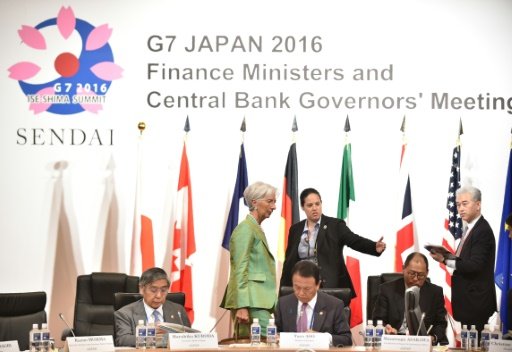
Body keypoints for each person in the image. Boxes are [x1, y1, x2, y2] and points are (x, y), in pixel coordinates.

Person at [280, 187, 386, 302]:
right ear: (302, 207)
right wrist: (283, 291)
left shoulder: (335, 225)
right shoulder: (295, 229)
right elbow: (289, 261)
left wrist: (373, 247)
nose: (315, 208)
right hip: (303, 286)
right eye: (310, 205)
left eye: (317, 204)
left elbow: (354, 240)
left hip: (330, 285)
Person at [430, 185, 497, 333]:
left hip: (476, 304)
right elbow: (465, 260)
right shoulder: (471, 229)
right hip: (468, 302)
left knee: (475, 346)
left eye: (465, 204)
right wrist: (445, 257)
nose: (460, 209)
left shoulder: (482, 230)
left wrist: (445, 260)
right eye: (458, 204)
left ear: (478, 204)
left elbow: (474, 266)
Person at [220, 181, 278, 337]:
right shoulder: (245, 228)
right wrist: (241, 306)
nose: (274, 207)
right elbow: (239, 268)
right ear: (254, 202)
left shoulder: (255, 228)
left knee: (268, 343)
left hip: (259, 301)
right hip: (250, 303)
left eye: (274, 201)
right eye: (269, 201)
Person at [372, 252, 448, 345]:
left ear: (427, 273)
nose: (416, 279)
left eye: (421, 275)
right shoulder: (387, 290)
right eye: (412, 274)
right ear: (403, 269)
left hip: (422, 343)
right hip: (394, 341)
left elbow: (440, 323)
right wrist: (385, 328)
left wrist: (432, 338)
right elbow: (377, 320)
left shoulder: (435, 292)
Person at [275, 260, 352, 347]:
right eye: (297, 287)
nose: (301, 293)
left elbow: (347, 339)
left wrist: (322, 338)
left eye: (307, 289)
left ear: (318, 285)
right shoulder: (283, 303)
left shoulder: (334, 305)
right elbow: (275, 333)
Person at [114, 267, 191, 347]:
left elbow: (189, 338)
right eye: (153, 290)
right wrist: (151, 334)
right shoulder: (125, 313)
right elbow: (122, 340)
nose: (159, 296)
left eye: (163, 290)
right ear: (141, 289)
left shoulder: (178, 310)